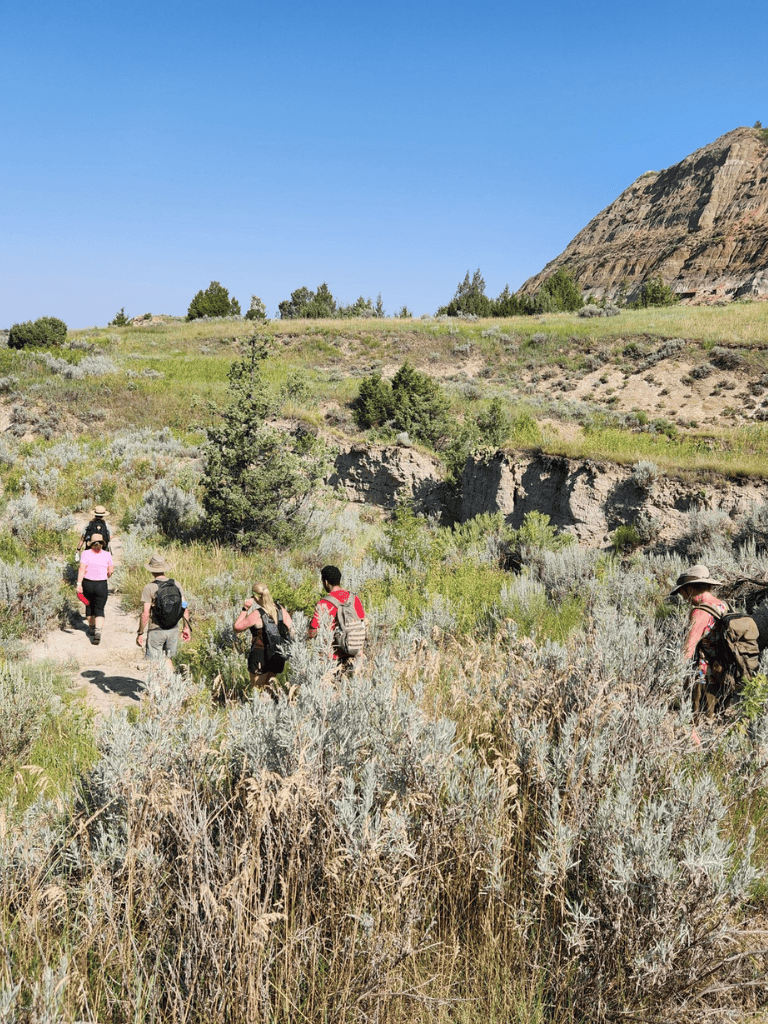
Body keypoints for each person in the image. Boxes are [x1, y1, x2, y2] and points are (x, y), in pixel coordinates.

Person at [670, 563, 729, 731]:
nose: (682, 597)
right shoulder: (724, 606)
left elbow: (688, 649)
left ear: (690, 589)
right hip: (724, 674)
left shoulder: (700, 612)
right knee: (717, 723)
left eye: (681, 592)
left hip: (704, 679)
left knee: (697, 724)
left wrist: (672, 678)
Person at [233, 581, 293, 695]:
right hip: (277, 654)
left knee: (258, 690)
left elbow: (237, 627)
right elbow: (293, 630)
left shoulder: (257, 614)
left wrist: (245, 609)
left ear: (255, 597)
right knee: (269, 688)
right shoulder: (281, 610)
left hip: (260, 654)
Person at [136, 553, 191, 670]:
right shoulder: (176, 584)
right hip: (173, 629)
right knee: (168, 659)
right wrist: (186, 628)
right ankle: (171, 685)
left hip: (156, 630)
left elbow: (145, 613)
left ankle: (159, 687)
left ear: (151, 570)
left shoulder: (149, 588)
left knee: (155, 662)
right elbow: (184, 606)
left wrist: (140, 632)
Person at [308, 565, 366, 667]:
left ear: (325, 582)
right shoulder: (354, 598)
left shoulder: (323, 603)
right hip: (354, 653)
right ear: (339, 579)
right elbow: (362, 621)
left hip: (333, 657)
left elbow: (312, 632)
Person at [76, 533, 114, 644]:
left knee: (89, 606)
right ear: (102, 543)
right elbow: (110, 571)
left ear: (90, 543)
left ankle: (91, 628)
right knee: (99, 608)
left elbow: (81, 569)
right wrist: (106, 575)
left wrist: (79, 584)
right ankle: (98, 631)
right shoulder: (107, 555)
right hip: (101, 584)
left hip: (87, 583)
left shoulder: (85, 554)